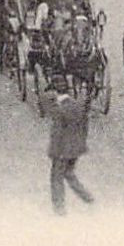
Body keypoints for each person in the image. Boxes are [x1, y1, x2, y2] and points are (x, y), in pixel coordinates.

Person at [40, 73, 92, 215]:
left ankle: (59, 208)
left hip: (62, 150)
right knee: (69, 173)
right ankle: (87, 197)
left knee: (56, 177)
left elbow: (57, 132)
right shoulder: (77, 106)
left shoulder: (58, 109)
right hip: (75, 149)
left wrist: (54, 151)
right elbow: (84, 127)